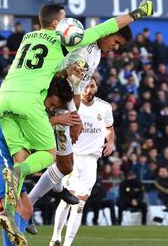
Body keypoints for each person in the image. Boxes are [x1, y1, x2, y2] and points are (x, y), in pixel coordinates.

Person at [0, 0, 152, 242]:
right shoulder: (73, 39)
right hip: (45, 103)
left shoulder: (30, 36)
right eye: (117, 42)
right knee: (51, 157)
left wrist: (75, 114)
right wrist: (137, 13)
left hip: (8, 97)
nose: (115, 47)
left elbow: (76, 86)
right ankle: (35, 201)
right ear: (59, 23)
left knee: (54, 164)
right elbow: (105, 28)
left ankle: (19, 209)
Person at [0, 77, 79, 246]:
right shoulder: (29, 104)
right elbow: (28, 127)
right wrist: (56, 121)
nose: (51, 108)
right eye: (52, 103)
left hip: (12, 162)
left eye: (55, 107)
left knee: (26, 210)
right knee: (14, 209)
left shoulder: (38, 106)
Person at [48, 77, 116, 246]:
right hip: (73, 157)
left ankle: (67, 244)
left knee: (79, 204)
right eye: (85, 87)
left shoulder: (105, 107)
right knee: (67, 199)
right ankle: (55, 237)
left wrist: (111, 141)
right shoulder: (72, 106)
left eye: (91, 86)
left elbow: (109, 128)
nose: (88, 90)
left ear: (96, 87)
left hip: (91, 160)